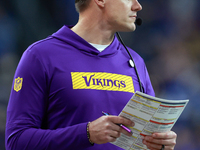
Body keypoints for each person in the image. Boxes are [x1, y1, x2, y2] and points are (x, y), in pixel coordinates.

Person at [5, 0, 177, 149]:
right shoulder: (41, 56)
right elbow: (16, 141)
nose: (137, 6)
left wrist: (160, 144)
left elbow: (143, 141)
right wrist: (86, 133)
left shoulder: (136, 62)